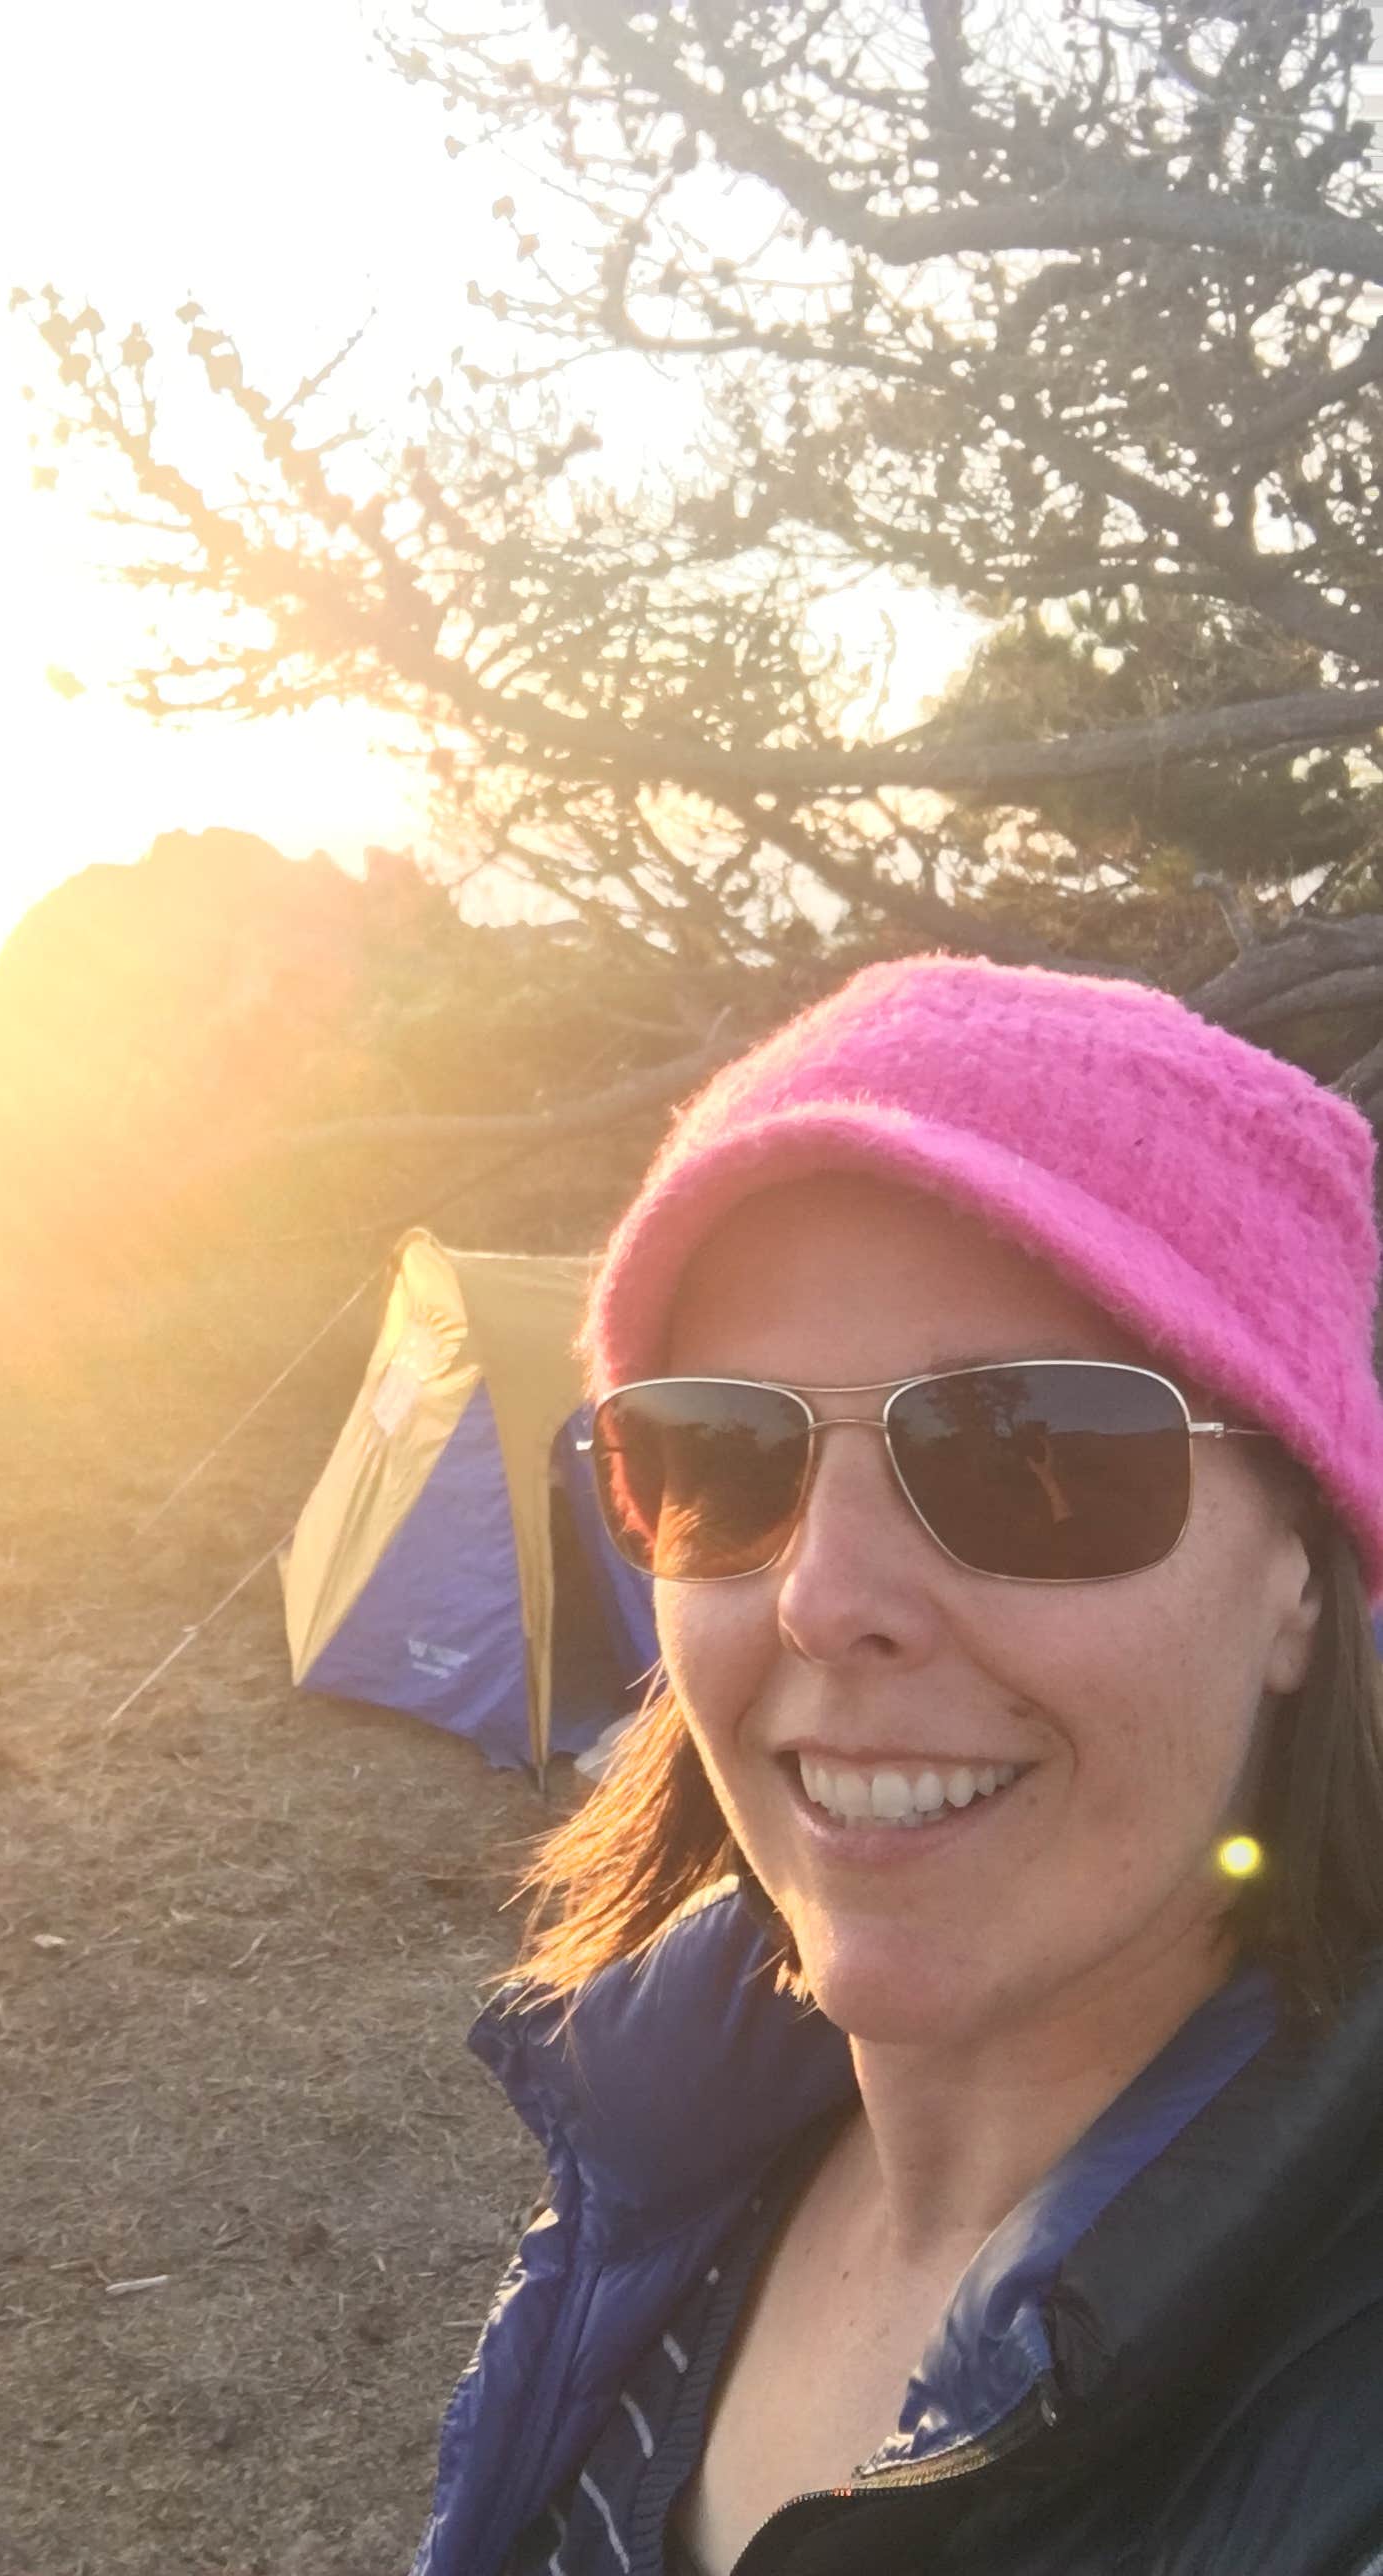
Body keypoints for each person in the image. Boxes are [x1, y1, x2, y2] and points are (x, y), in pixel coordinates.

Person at [409, 955, 1383, 2576]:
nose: (823, 1597)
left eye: (1034, 1457)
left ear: (1302, 1577)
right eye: (723, 1453)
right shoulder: (684, 2124)